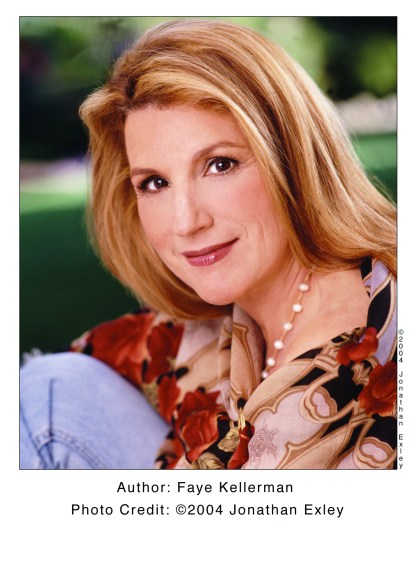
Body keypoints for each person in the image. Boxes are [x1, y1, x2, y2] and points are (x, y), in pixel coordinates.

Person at [20, 19, 397, 470]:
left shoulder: (364, 369)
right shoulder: (216, 325)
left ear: (293, 158)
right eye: (155, 182)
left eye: (219, 165)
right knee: (49, 387)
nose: (186, 222)